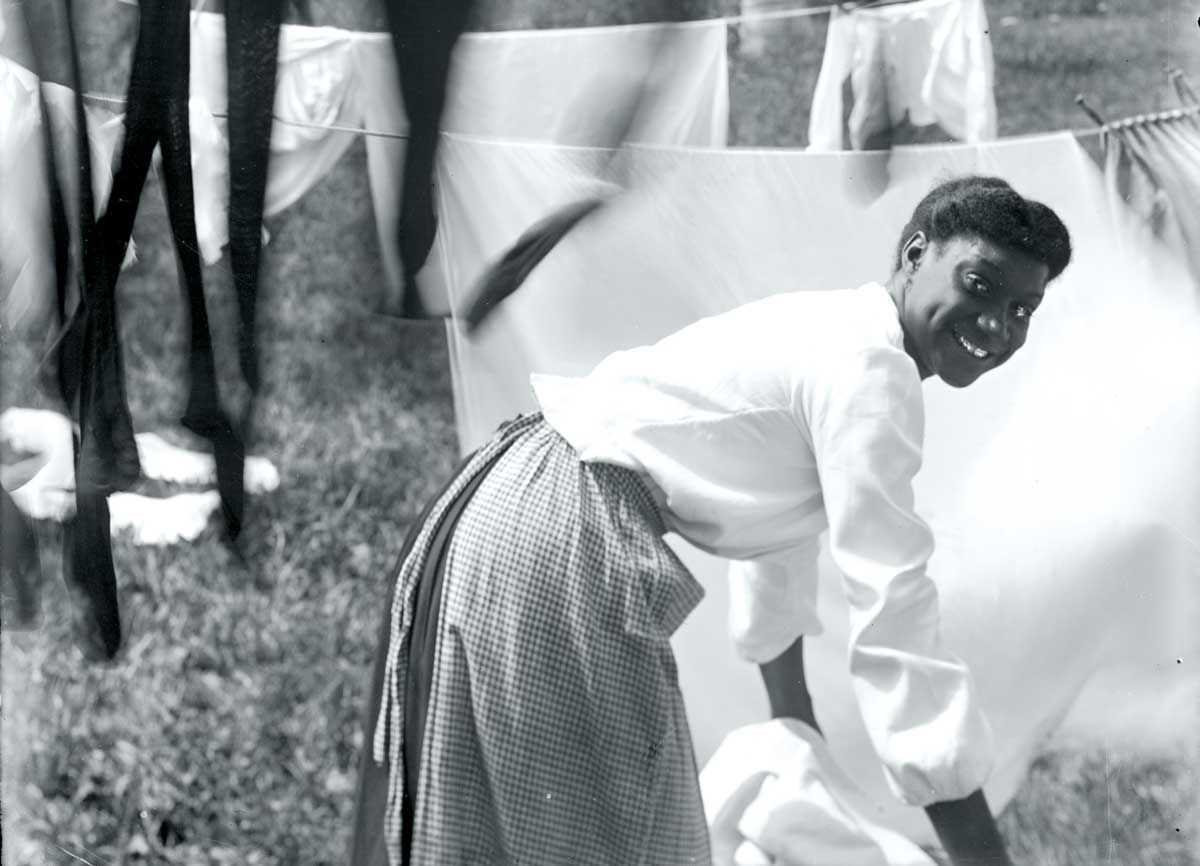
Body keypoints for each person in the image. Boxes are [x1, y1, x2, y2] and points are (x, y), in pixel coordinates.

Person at [348, 175, 1072, 866]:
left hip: (515, 496)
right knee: (610, 834)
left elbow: (779, 547)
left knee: (516, 819)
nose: (996, 326)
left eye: (1022, 311)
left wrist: (797, 737)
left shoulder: (838, 329)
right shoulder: (871, 371)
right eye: (980, 286)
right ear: (916, 254)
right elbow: (896, 622)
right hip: (561, 534)